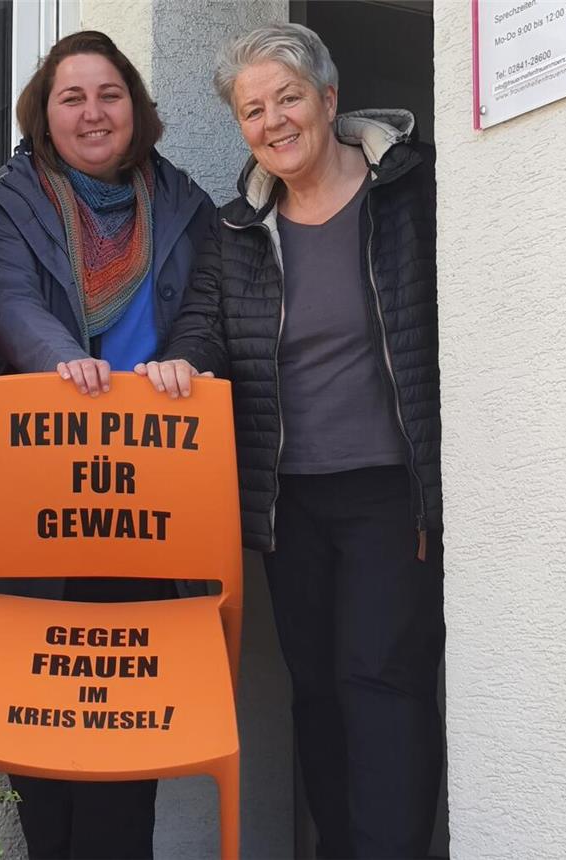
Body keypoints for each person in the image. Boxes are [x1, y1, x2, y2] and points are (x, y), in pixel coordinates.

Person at [139, 22, 445, 859]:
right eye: (251, 110)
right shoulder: (238, 232)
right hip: (289, 500)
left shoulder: (410, 194)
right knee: (316, 691)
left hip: (392, 488)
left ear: (329, 99)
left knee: (382, 680)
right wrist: (174, 366)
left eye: (288, 98)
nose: (272, 122)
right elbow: (202, 328)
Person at [0, 29, 214, 860]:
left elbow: (204, 312)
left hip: (151, 501)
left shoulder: (182, 200)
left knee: (130, 726)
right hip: (43, 495)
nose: (92, 112)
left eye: (108, 94)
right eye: (71, 96)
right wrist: (61, 362)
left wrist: (189, 359)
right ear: (45, 111)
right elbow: (7, 301)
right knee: (43, 722)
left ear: (136, 107)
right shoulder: (11, 198)